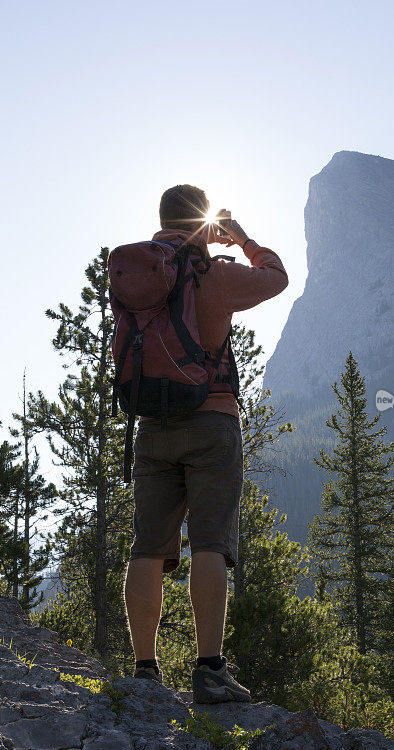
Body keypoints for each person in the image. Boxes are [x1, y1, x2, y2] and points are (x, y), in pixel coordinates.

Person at [122, 184, 289, 703]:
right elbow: (276, 277)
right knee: (211, 542)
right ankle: (209, 672)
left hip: (152, 425)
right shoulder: (213, 274)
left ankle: (144, 672)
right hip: (212, 419)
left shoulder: (136, 277)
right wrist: (239, 236)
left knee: (149, 546)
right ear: (202, 224)